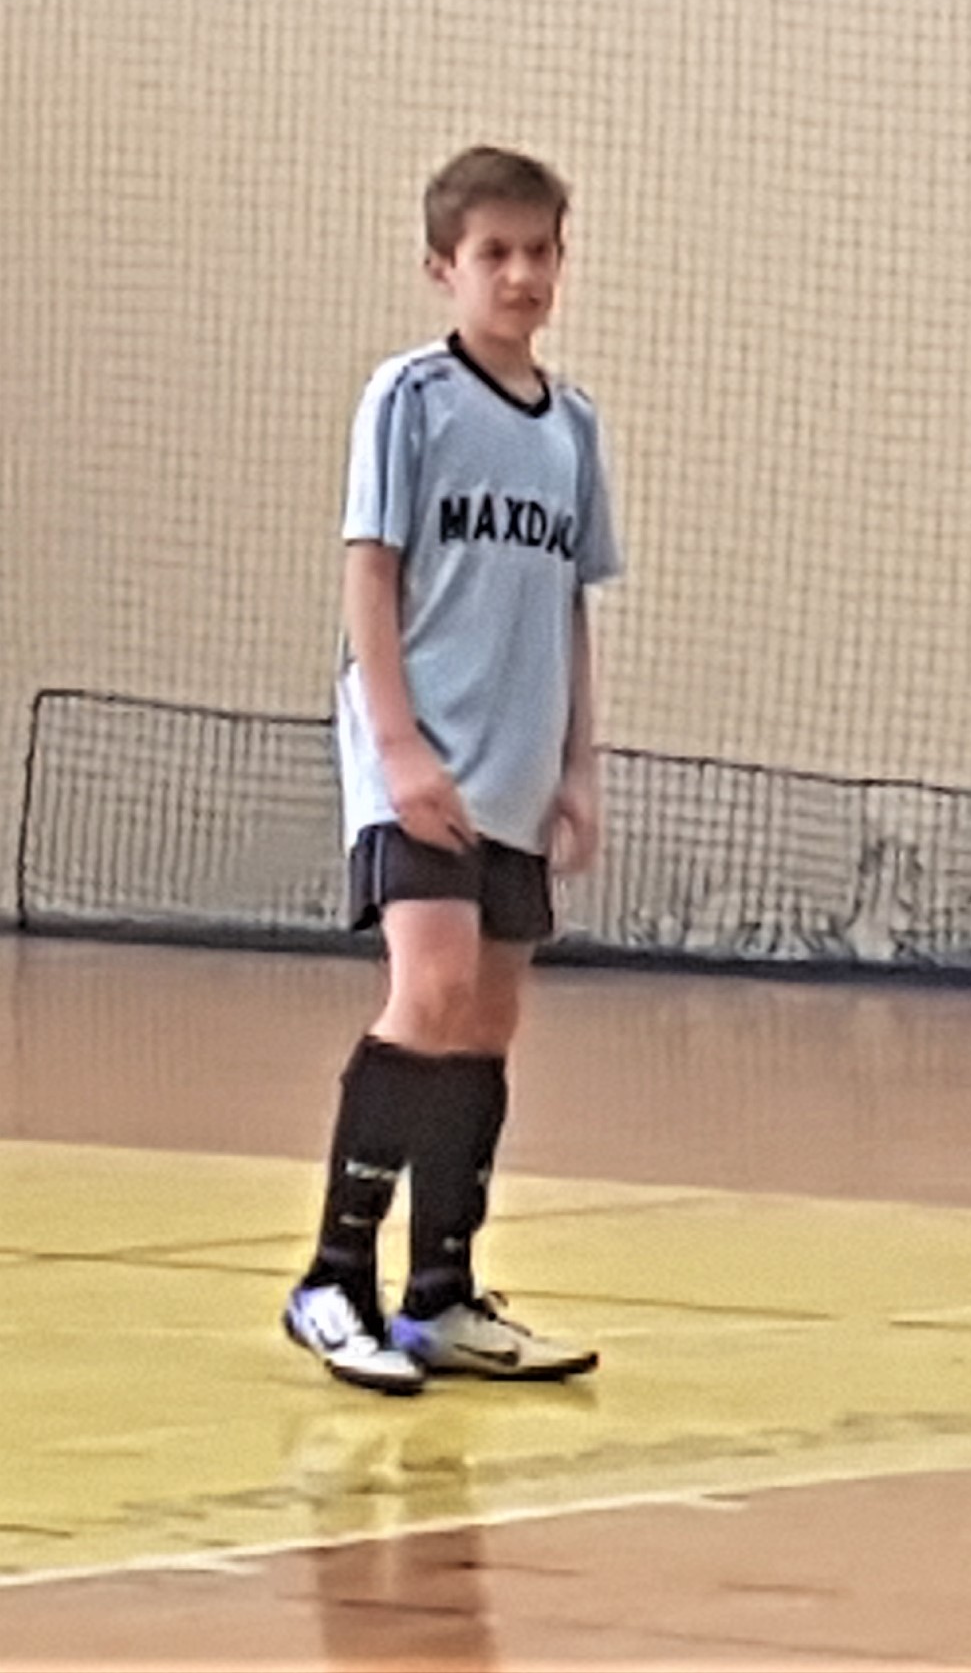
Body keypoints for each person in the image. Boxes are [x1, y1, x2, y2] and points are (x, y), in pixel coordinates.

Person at [282, 145, 621, 1394]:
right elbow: (370, 571)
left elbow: (570, 604)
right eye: (494, 253)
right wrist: (397, 744)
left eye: (540, 251)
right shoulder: (411, 398)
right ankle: (333, 1278)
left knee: (486, 1020)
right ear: (445, 268)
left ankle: (442, 1291)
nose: (521, 274)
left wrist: (578, 765)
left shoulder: (571, 427)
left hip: (520, 773)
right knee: (426, 995)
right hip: (420, 758)